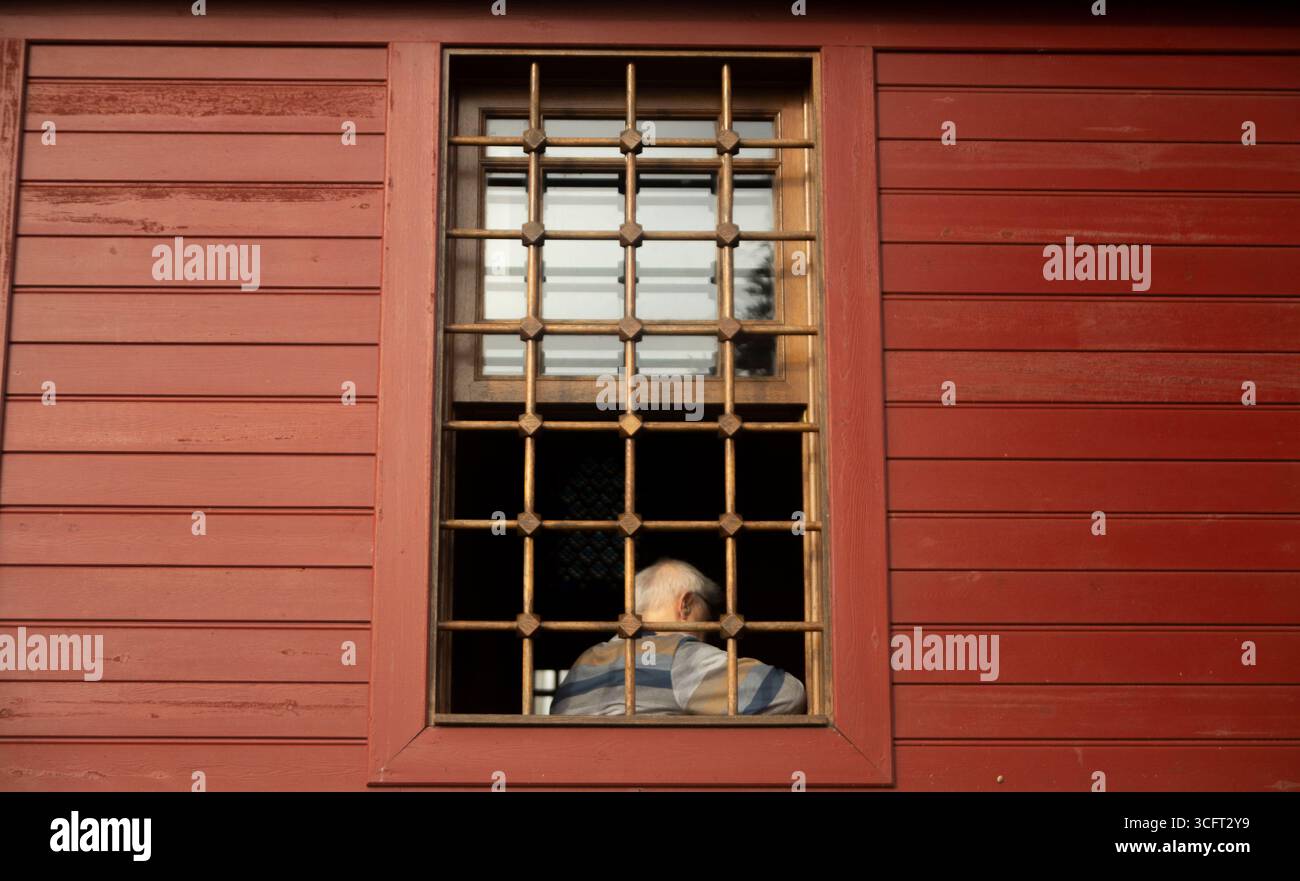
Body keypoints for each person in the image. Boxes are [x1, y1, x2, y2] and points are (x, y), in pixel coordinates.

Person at [550, 558, 807, 715]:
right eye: (705, 613)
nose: (708, 629)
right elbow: (787, 694)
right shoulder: (676, 654)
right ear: (685, 605)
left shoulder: (585, 659)